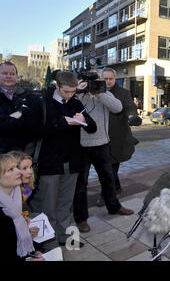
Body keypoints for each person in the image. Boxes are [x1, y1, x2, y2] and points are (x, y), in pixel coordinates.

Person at [28, 71, 97, 248]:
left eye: (73, 91)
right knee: (48, 207)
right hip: (50, 164)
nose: (69, 95)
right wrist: (62, 122)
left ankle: (64, 237)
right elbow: (34, 130)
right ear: (57, 86)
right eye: (66, 91)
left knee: (65, 205)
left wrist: (84, 120)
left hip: (72, 163)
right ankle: (49, 243)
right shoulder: (42, 103)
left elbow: (92, 128)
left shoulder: (75, 102)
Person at [73, 69, 134, 234]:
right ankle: (81, 218)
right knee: (81, 185)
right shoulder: (77, 94)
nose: (92, 82)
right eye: (89, 79)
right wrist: (79, 91)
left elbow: (117, 107)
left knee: (108, 180)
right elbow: (69, 107)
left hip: (102, 144)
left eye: (95, 79)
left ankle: (114, 207)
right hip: (82, 146)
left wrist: (99, 94)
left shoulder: (104, 94)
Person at [96, 67, 140, 207]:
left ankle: (105, 195)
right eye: (105, 79)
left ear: (115, 79)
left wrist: (132, 116)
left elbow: (130, 107)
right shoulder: (95, 92)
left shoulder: (123, 93)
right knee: (107, 168)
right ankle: (116, 186)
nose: (108, 82)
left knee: (109, 168)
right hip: (100, 138)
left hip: (118, 138)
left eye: (111, 79)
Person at [0, 153, 44, 261]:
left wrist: (33, 254)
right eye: (11, 169)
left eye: (16, 167)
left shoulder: (15, 197)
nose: (18, 171)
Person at [0, 62, 43, 155]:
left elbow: (35, 126)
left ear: (16, 76)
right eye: (4, 73)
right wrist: (21, 113)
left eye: (12, 74)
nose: (9, 76)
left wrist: (10, 118)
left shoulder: (30, 98)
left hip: (22, 152)